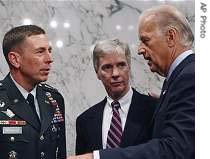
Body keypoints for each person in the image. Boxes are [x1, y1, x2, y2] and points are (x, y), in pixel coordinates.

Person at [68, 4, 194, 159]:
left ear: (171, 37)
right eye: (107, 67)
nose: (140, 50)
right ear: (97, 73)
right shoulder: (178, 80)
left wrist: (97, 157)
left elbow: (176, 148)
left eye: (146, 40)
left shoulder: (190, 76)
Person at [76, 39, 157, 155]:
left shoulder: (154, 109)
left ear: (129, 67)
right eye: (107, 67)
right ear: (97, 73)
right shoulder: (84, 121)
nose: (115, 74)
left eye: (121, 65)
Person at [0, 25, 66, 159]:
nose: (49, 58)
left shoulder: (54, 99)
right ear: (15, 59)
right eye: (40, 52)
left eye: (49, 50)